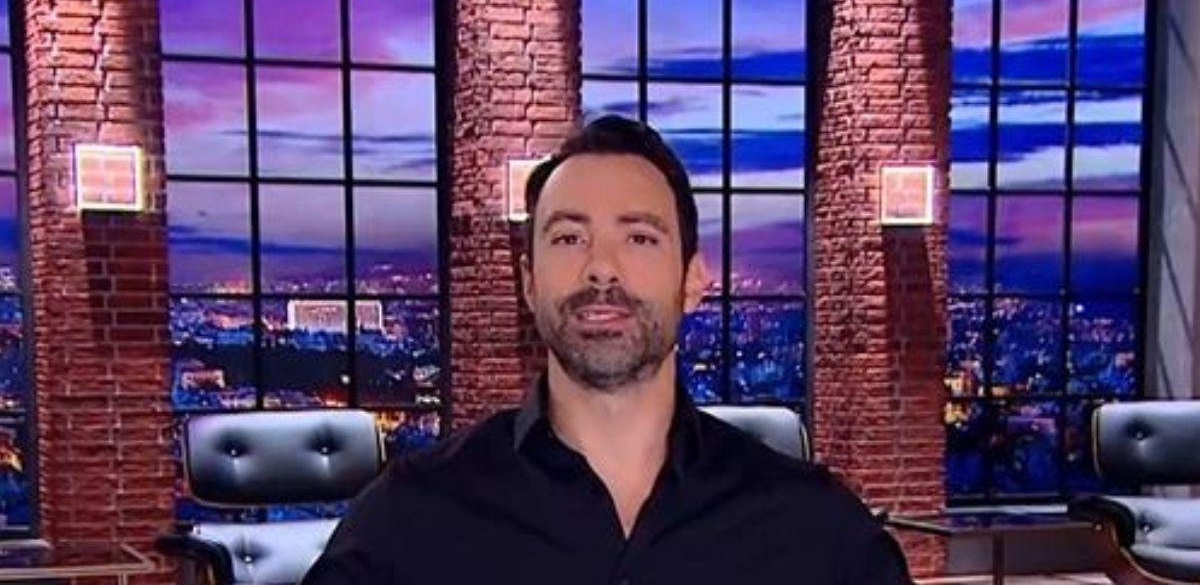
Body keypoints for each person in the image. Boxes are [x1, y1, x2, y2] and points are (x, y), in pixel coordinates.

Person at [302, 115, 912, 584]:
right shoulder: (408, 520)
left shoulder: (818, 530)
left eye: (639, 237)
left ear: (692, 281)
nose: (601, 268)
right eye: (569, 237)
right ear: (528, 282)